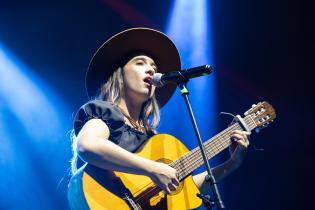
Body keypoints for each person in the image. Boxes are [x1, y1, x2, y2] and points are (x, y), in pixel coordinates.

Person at [69, 28, 249, 209]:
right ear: (120, 74)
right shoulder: (105, 112)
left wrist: (232, 163)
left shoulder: (151, 139)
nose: (150, 70)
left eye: (154, 68)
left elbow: (187, 191)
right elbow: (87, 145)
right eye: (140, 63)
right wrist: (153, 168)